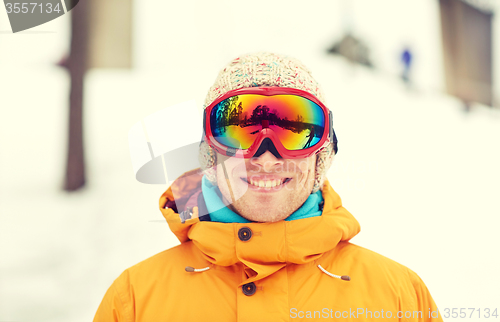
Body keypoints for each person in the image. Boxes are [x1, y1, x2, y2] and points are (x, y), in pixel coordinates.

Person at [93, 52, 442, 321]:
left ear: (322, 154)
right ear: (209, 153)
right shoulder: (136, 301)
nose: (266, 158)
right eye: (238, 129)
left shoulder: (398, 298)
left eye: (294, 128)